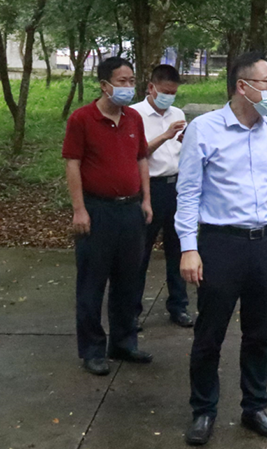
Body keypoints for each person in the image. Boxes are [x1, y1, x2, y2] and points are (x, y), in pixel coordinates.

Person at [176, 51, 267, 446]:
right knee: (210, 334)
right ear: (243, 86)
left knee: (259, 334)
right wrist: (188, 247)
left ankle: (254, 406)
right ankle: (204, 410)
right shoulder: (205, 129)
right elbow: (188, 192)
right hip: (220, 244)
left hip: (264, 244)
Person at [62, 57, 154, 376]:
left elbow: (141, 159)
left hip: (130, 210)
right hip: (97, 210)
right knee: (92, 282)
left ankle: (123, 342)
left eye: (131, 81)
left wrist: (146, 200)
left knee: (128, 281)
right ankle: (92, 349)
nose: (129, 86)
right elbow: (72, 164)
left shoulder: (133, 118)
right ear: (104, 85)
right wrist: (79, 209)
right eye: (122, 81)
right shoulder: (82, 119)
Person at [131, 64, 192, 329]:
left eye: (173, 92)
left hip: (176, 185)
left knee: (177, 248)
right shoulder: (134, 114)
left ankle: (178, 305)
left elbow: (181, 147)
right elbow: (137, 153)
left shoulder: (177, 113)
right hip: (149, 187)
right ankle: (131, 310)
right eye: (165, 91)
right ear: (151, 87)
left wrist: (184, 140)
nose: (169, 97)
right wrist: (166, 135)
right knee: (140, 251)